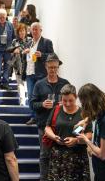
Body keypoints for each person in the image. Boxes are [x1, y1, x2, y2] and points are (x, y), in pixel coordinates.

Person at [29, 53, 69, 181]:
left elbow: (72, 102)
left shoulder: (65, 84)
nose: (53, 70)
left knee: (62, 155)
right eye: (50, 67)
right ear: (46, 67)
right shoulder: (39, 84)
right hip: (44, 125)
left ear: (58, 67)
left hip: (61, 126)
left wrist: (66, 104)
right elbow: (31, 104)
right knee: (45, 155)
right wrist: (42, 104)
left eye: (55, 67)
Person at [45, 84, 92, 181]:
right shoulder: (57, 109)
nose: (67, 103)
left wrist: (75, 140)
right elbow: (47, 128)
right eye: (64, 100)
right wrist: (54, 137)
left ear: (76, 97)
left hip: (78, 156)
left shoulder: (84, 113)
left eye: (71, 100)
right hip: (58, 156)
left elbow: (89, 135)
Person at [24, 22, 54, 125]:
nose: (34, 31)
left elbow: (52, 56)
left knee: (41, 96)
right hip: (29, 73)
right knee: (31, 96)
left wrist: (42, 55)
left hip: (40, 74)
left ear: (41, 30)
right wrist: (24, 53)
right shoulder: (28, 43)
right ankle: (33, 117)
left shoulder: (46, 42)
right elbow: (26, 58)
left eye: (36, 29)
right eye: (33, 29)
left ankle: (42, 117)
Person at [8, 23, 31, 105]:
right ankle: (22, 102)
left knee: (27, 84)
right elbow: (9, 49)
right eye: (20, 31)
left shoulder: (30, 40)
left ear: (26, 31)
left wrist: (28, 51)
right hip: (18, 66)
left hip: (29, 66)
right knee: (20, 84)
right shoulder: (15, 41)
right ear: (17, 32)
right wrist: (15, 49)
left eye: (23, 30)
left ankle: (27, 99)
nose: (22, 32)